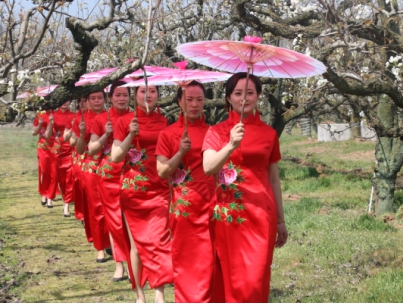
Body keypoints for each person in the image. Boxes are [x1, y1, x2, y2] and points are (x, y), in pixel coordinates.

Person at [201, 72, 288, 303]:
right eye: (238, 93)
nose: (244, 98)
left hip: (261, 215)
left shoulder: (269, 134)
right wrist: (230, 144)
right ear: (228, 97)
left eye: (250, 92)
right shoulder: (215, 132)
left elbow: (274, 179)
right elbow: (208, 168)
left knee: (257, 277)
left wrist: (281, 220)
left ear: (258, 96)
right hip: (228, 216)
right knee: (231, 275)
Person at [155, 81, 215, 303]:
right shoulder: (169, 134)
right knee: (187, 261)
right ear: (179, 102)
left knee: (210, 261)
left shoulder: (213, 132)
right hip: (185, 209)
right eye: (189, 99)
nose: (195, 104)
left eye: (199, 99)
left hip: (212, 206)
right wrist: (180, 152)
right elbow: (162, 171)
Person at [112, 85, 172, 303]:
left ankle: (159, 294)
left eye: (154, 91)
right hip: (134, 189)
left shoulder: (164, 122)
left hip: (160, 188)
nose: (148, 95)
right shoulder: (123, 121)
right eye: (143, 91)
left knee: (159, 241)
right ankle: (139, 294)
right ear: (134, 95)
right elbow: (115, 157)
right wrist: (130, 134)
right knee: (137, 245)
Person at [89, 81, 130, 281]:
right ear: (110, 98)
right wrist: (106, 133)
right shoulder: (101, 119)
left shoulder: (136, 118)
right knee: (114, 221)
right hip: (108, 175)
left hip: (132, 174)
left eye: (125, 95)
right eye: (118, 95)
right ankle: (119, 265)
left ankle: (135, 265)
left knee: (131, 221)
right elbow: (91, 149)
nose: (121, 99)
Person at [74, 91, 111, 263]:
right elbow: (80, 150)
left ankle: (113, 241)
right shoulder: (82, 120)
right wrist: (82, 134)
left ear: (105, 99)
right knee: (96, 208)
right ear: (86, 101)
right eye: (93, 98)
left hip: (112, 166)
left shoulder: (111, 116)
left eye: (100, 98)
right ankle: (100, 247)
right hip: (91, 167)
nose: (97, 101)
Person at [49, 102, 75, 217]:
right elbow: (47, 134)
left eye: (68, 101)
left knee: (70, 178)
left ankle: (66, 205)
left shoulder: (74, 116)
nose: (65, 103)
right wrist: (50, 123)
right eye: (63, 101)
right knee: (61, 178)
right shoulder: (52, 115)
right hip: (58, 148)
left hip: (71, 148)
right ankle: (62, 198)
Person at [32, 112, 57, 207]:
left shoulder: (58, 113)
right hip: (43, 147)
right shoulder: (39, 114)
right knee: (44, 171)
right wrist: (40, 124)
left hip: (56, 146)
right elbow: (34, 133)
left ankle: (50, 197)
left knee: (54, 173)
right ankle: (44, 194)